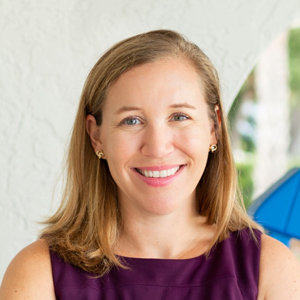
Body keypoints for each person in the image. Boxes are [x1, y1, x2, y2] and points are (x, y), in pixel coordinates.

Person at [0, 29, 299, 300]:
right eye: (131, 120)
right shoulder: (39, 275)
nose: (157, 147)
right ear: (96, 136)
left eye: (179, 116)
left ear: (213, 128)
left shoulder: (271, 270)